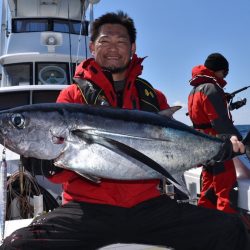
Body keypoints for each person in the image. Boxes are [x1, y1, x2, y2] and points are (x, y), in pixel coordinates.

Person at [1, 12, 249, 250]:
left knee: (230, 228)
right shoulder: (72, 96)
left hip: (150, 207)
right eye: (104, 41)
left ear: (132, 48)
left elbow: (181, 146)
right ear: (92, 47)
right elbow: (63, 169)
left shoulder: (152, 97)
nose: (112, 47)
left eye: (121, 41)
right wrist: (47, 166)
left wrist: (218, 150)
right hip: (87, 210)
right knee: (17, 245)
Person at [188, 53, 242, 214]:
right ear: (218, 70)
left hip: (203, 145)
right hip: (219, 145)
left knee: (208, 187)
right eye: (225, 72)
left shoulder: (195, 90)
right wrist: (238, 141)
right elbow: (220, 122)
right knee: (225, 188)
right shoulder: (211, 88)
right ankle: (227, 227)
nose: (225, 76)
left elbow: (202, 115)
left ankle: (206, 222)